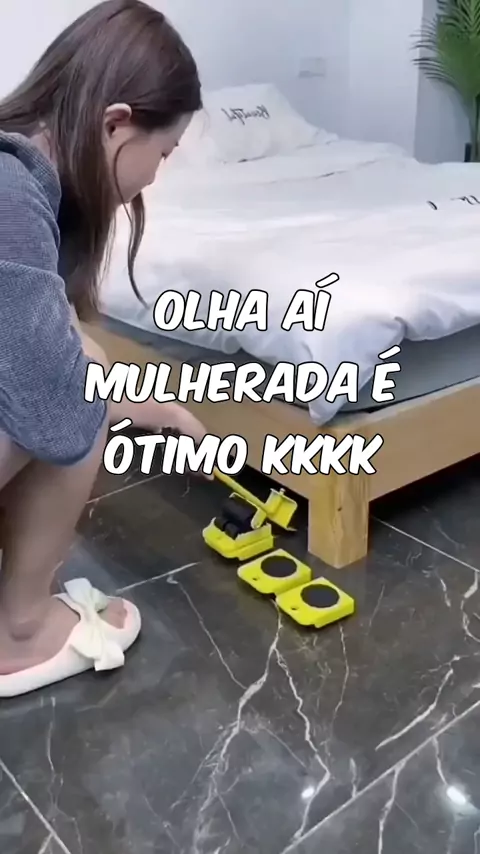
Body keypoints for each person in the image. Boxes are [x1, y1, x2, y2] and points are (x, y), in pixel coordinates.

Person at [0, 0, 207, 697]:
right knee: (75, 389)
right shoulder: (9, 197)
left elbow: (46, 322)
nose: (155, 176)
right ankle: (21, 633)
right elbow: (56, 398)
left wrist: (155, 407)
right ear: (115, 123)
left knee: (72, 360)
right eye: (163, 153)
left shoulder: (17, 180)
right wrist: (150, 413)